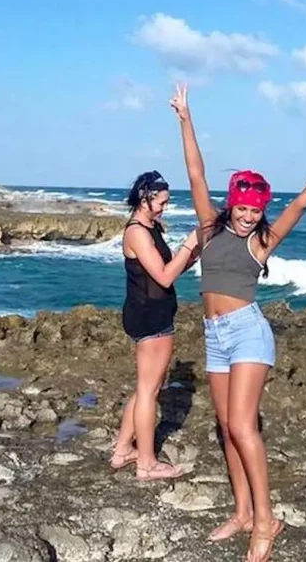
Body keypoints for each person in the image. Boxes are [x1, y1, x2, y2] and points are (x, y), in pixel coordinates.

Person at [169, 83, 306, 562]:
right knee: (224, 425)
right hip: (214, 336)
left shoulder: (262, 242)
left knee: (242, 426)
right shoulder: (210, 227)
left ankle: (265, 521)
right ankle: (240, 513)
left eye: (255, 210)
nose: (247, 216)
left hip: (248, 334)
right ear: (231, 203)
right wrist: (185, 116)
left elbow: (301, 203)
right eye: (241, 208)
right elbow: (195, 173)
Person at [110, 170, 201, 481]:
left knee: (147, 386)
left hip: (153, 311)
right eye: (161, 202)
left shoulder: (151, 227)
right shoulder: (137, 231)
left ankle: (123, 449)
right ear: (145, 198)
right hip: (149, 316)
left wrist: (193, 251)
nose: (165, 207)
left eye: (167, 202)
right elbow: (163, 276)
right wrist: (189, 244)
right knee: (150, 391)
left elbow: (168, 269)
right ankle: (146, 464)